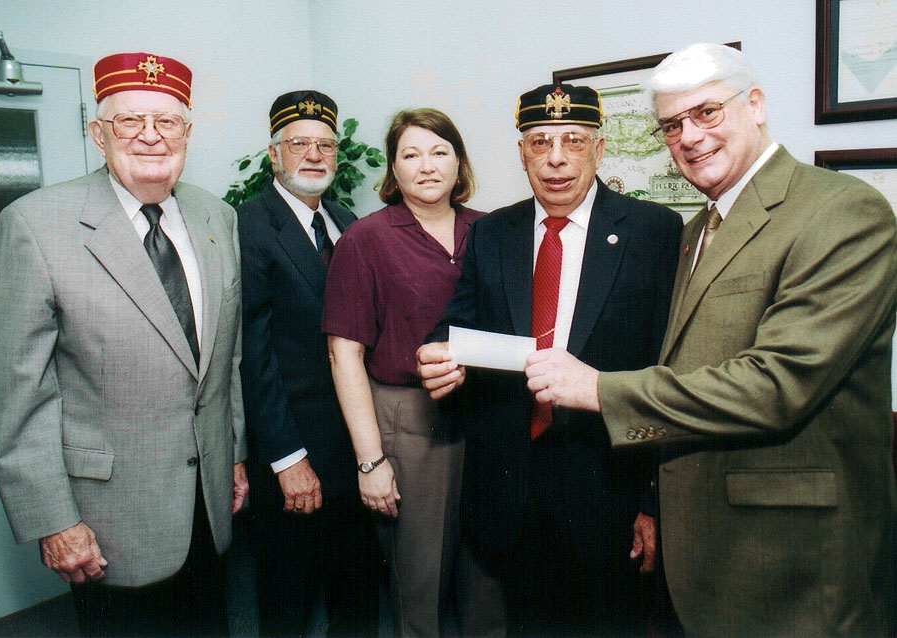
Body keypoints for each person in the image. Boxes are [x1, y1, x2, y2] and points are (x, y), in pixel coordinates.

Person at [521, 43, 897, 636]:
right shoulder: (694, 230)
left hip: (788, 561)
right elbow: (682, 366)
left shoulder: (843, 211)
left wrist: (598, 390)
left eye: (706, 113)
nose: (690, 137)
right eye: (672, 125)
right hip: (697, 550)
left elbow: (778, 385)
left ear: (755, 105)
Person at [0, 52, 248, 637]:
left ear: (188, 132)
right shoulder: (35, 225)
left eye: (168, 122)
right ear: (97, 133)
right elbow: (19, 392)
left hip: (206, 505)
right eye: (130, 121)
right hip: (107, 520)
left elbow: (224, 357)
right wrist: (53, 521)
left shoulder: (218, 216)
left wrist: (232, 452)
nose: (152, 138)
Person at [418, 83, 682, 637]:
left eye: (572, 141)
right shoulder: (493, 232)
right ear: (522, 154)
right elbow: (458, 322)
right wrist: (438, 352)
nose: (556, 158)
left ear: (600, 148)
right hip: (513, 493)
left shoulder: (653, 231)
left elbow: (667, 369)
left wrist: (652, 503)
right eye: (540, 142)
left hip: (609, 492)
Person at [323, 108, 483, 637]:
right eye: (411, 154)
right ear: (393, 168)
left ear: (459, 163)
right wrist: (371, 463)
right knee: (422, 575)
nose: (427, 166)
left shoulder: (489, 231)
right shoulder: (366, 240)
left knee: (487, 572)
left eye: (440, 152)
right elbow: (343, 354)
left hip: (484, 414)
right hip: (409, 420)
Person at [237, 90, 379, 637]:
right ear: (274, 154)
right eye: (299, 143)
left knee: (356, 591)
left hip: (354, 445)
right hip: (294, 449)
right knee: (288, 600)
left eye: (325, 145)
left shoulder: (345, 219)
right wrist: (287, 457)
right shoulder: (249, 225)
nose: (314, 155)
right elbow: (254, 354)